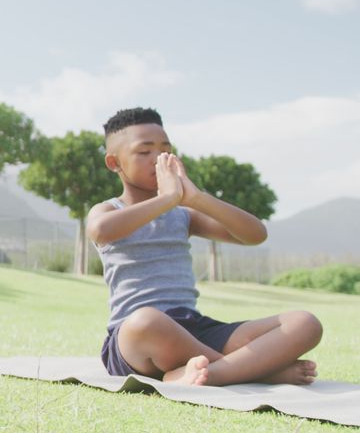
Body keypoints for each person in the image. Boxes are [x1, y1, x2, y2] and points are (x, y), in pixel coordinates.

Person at [86, 107, 322, 386]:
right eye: (144, 151)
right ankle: (258, 372)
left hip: (195, 331)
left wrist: (195, 198)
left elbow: (255, 234)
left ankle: (203, 373)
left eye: (165, 150)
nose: (157, 158)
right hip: (135, 339)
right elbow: (101, 231)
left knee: (304, 323)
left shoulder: (183, 215)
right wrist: (168, 198)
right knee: (147, 321)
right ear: (114, 163)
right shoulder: (109, 210)